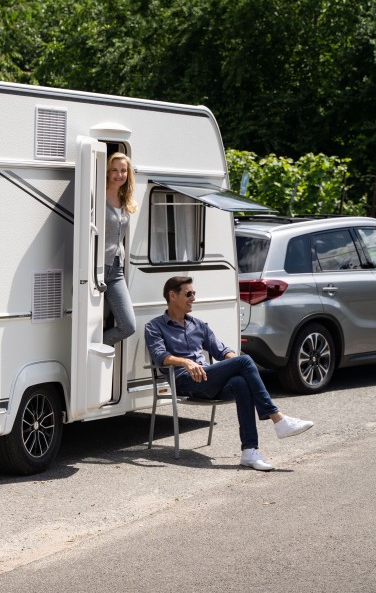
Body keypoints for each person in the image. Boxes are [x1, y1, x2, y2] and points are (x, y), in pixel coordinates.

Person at [144, 275, 314, 470]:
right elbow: (160, 356)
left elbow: (222, 351)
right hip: (184, 382)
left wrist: (239, 365)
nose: (193, 298)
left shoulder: (198, 325)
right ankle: (278, 419)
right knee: (245, 361)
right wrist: (185, 362)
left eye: (194, 294)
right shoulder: (155, 326)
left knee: (241, 381)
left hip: (208, 379)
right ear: (172, 296)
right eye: (188, 294)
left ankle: (249, 452)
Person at [103, 152, 137, 346]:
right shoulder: (98, 195)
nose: (119, 174)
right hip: (96, 269)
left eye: (123, 170)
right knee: (91, 322)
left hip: (116, 270)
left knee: (128, 325)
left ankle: (96, 347)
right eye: (114, 170)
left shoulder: (126, 200)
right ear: (107, 172)